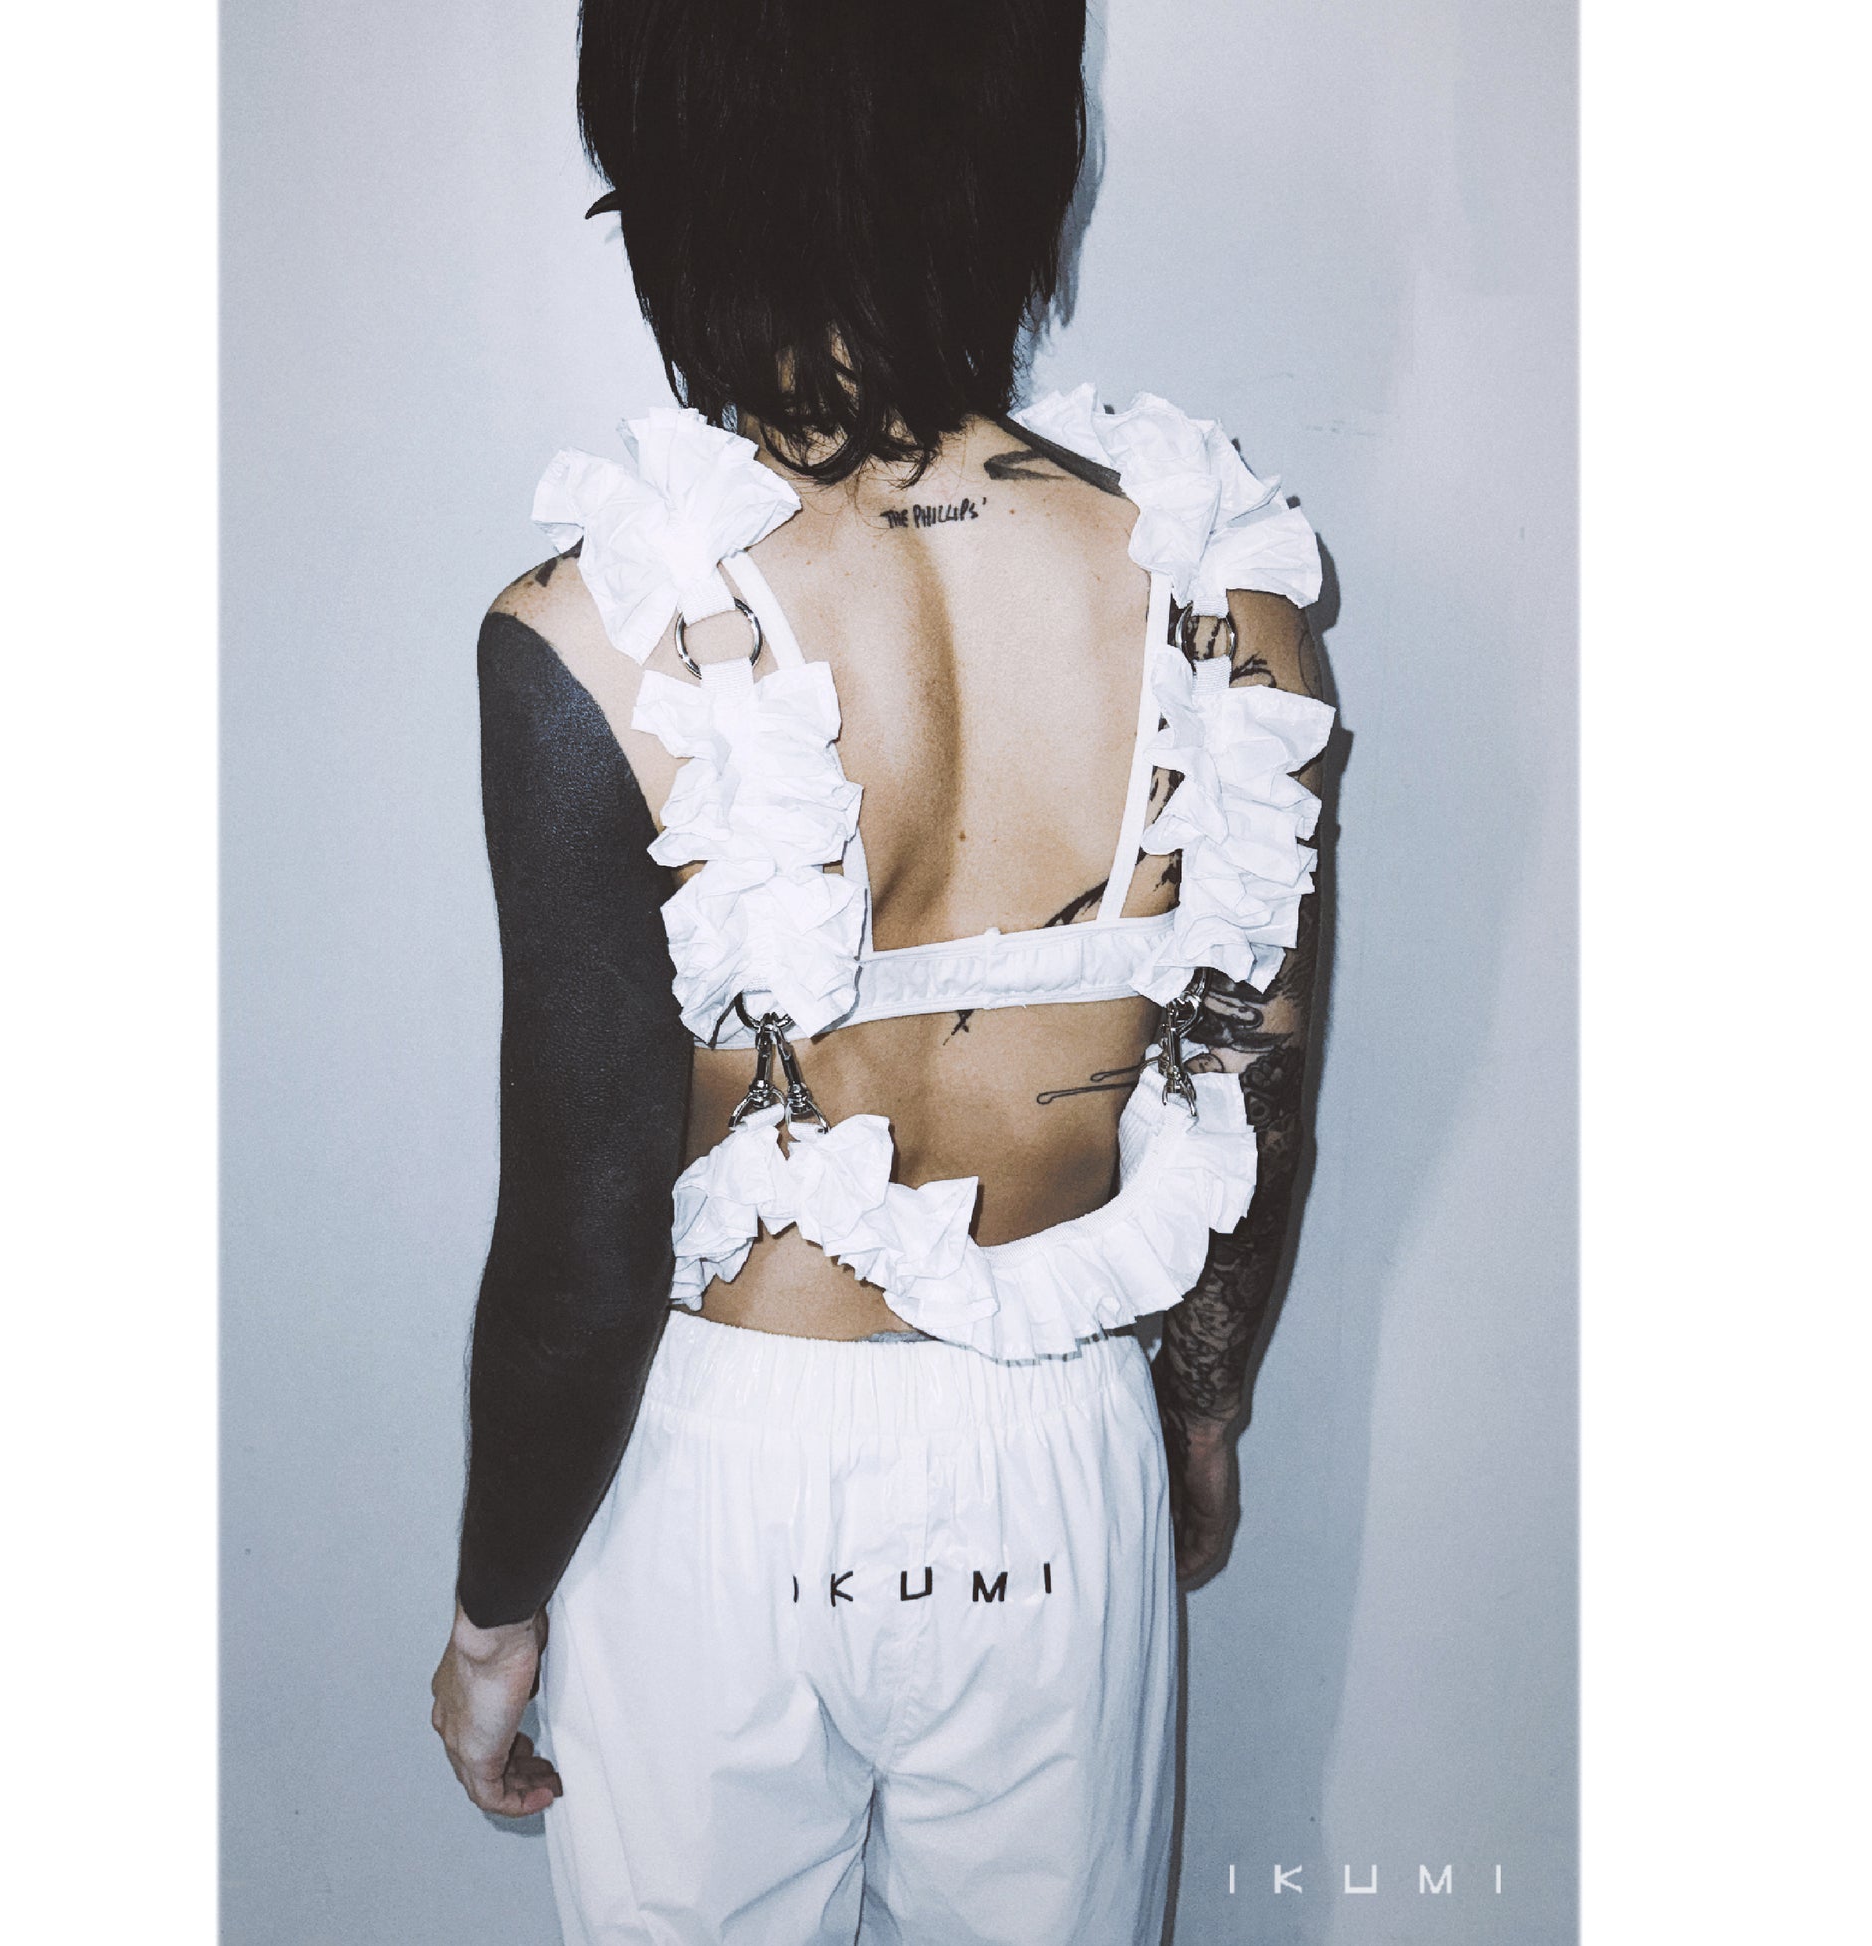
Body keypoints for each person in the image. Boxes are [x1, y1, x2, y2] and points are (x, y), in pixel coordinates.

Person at [429, 4, 1335, 1940]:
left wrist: (496, 1612)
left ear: (673, 170)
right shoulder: (1218, 581)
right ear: (1014, 151)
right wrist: (1199, 1414)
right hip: (1058, 1446)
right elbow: (1253, 1075)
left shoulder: (593, 629)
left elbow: (588, 1222)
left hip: (720, 1464)